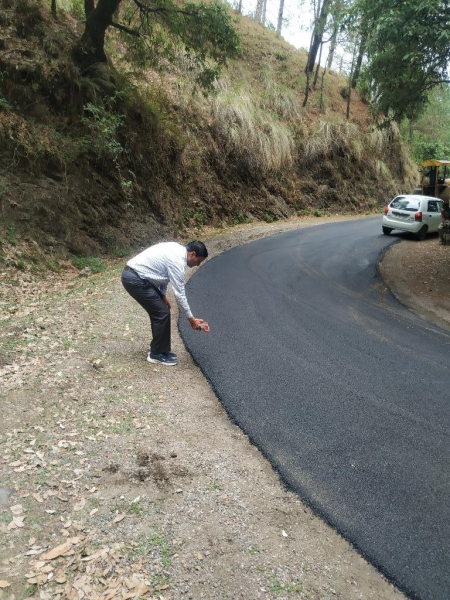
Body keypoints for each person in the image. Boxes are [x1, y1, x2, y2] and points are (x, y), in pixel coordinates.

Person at [121, 240, 208, 366]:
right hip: (135, 279)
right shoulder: (177, 261)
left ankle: (162, 351)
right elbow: (179, 294)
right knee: (161, 313)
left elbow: (163, 276)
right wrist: (191, 319)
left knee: (162, 311)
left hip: (138, 277)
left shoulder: (177, 250)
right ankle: (156, 354)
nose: (198, 265)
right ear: (192, 254)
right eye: (198, 261)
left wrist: (162, 295)